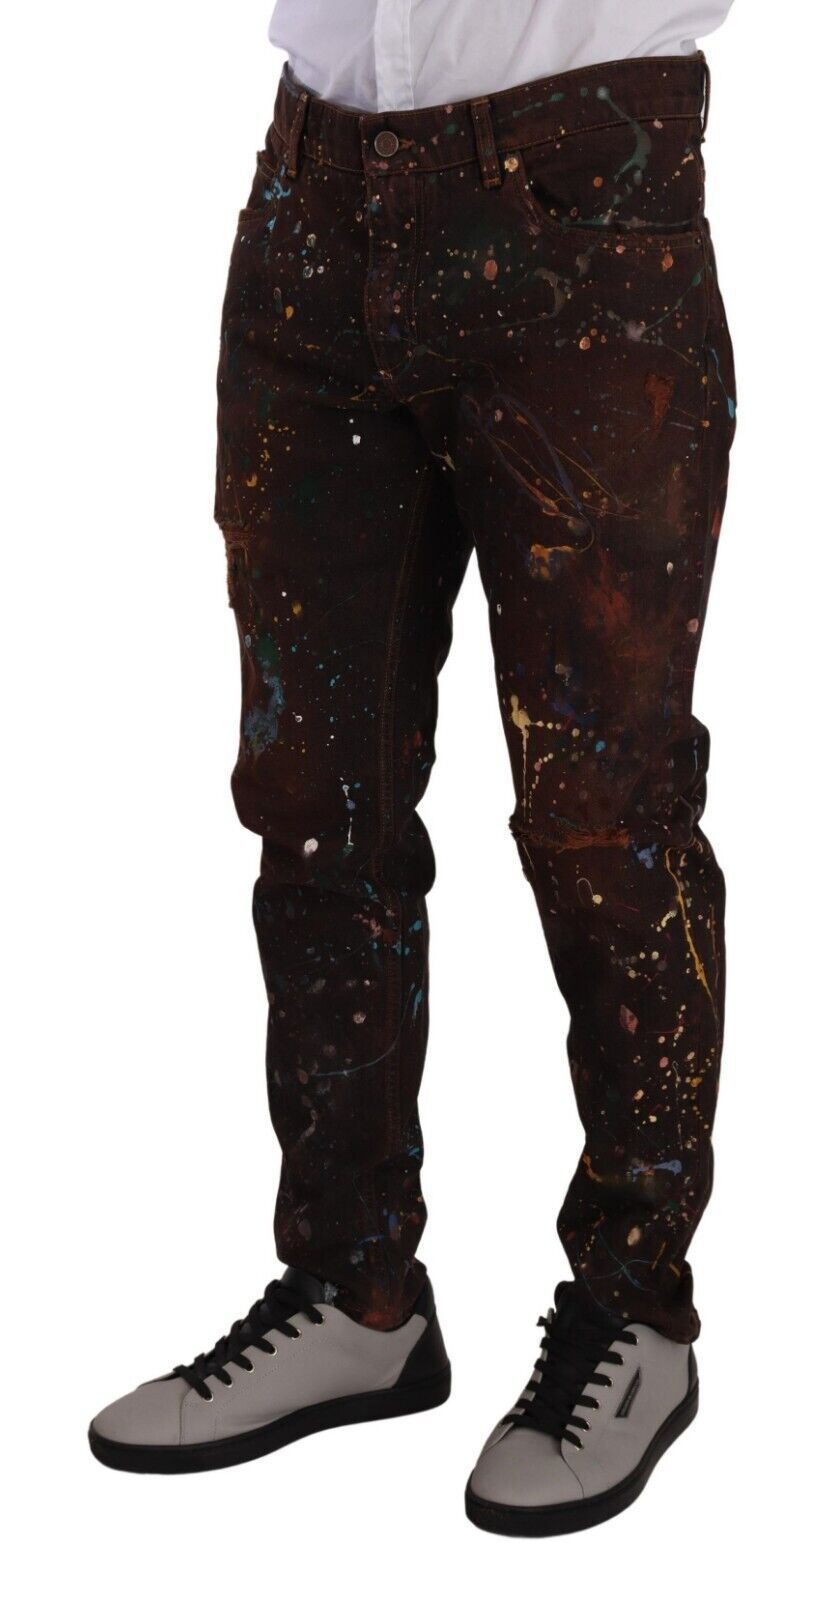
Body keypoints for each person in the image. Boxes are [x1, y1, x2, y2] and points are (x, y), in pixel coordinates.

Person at [89, 0, 737, 1535]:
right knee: (314, 805)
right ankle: (354, 1294)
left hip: (585, 196)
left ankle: (635, 1312)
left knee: (606, 814)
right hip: (310, 202)